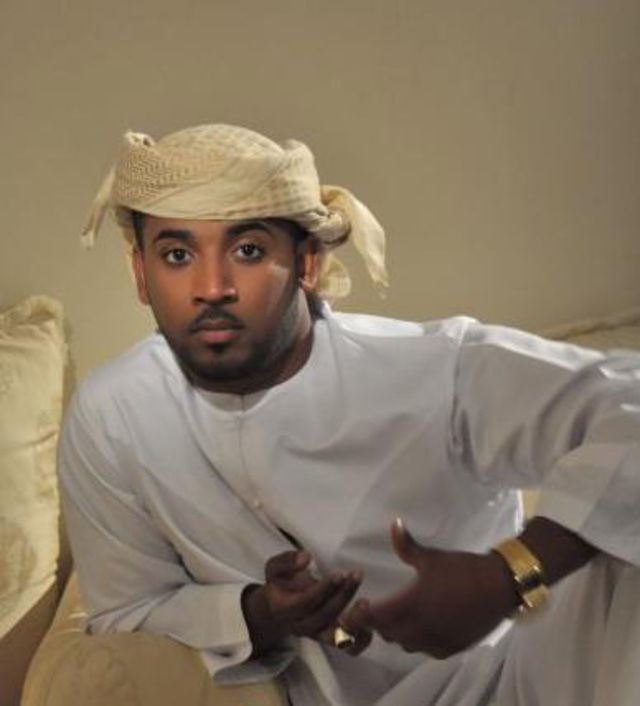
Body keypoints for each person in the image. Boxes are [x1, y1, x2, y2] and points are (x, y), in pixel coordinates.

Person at [60, 123, 640, 706]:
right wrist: (259, 612)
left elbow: (631, 404)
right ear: (141, 275)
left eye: (248, 251)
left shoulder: (434, 367)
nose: (212, 288)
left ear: (307, 263)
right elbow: (128, 610)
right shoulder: (114, 415)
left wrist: (506, 575)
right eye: (178, 255)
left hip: (519, 681)